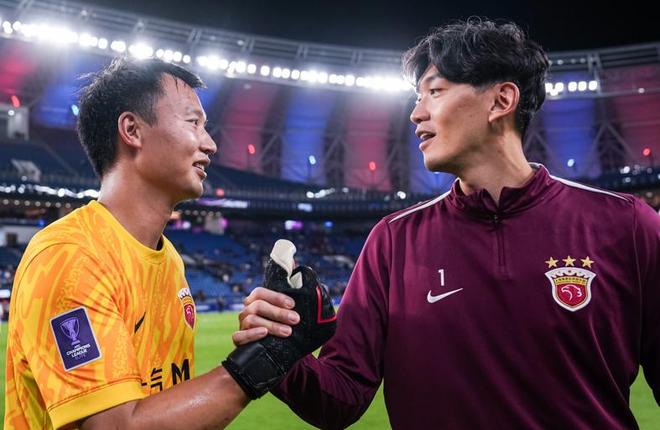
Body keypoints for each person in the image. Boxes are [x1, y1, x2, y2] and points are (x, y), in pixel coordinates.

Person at [234, 18, 660, 429]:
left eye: (434, 92)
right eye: (417, 97)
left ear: (501, 101)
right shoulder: (393, 241)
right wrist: (280, 352)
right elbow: (339, 400)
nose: (415, 114)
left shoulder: (625, 224)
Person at [3, 57, 335, 429]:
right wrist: (266, 358)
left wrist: (271, 343)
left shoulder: (169, 258)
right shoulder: (71, 256)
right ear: (132, 130)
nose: (210, 144)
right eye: (193, 122)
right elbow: (114, 426)